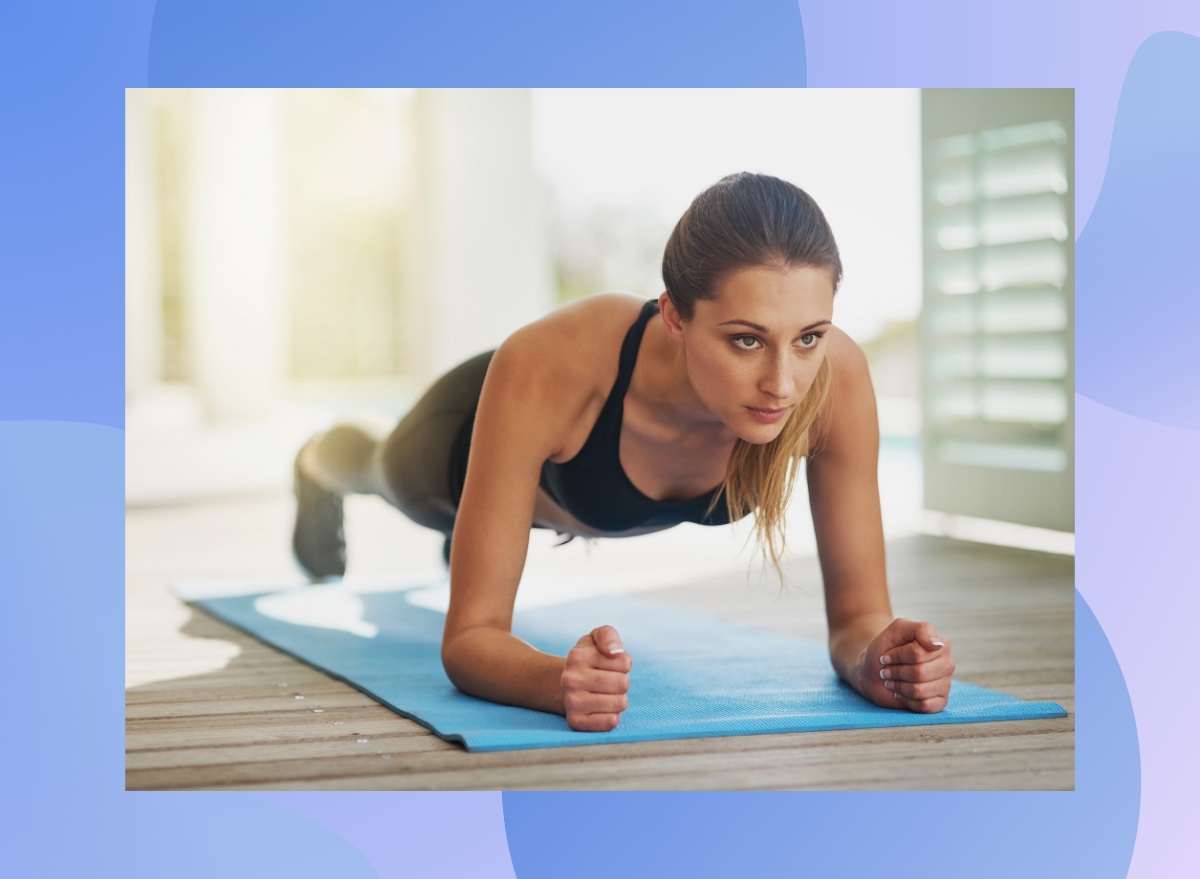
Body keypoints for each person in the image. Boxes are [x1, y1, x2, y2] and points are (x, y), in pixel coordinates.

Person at [292, 172, 955, 732]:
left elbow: (859, 618)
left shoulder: (834, 382)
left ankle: (483, 539)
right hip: (458, 441)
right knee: (374, 467)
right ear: (674, 315)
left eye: (809, 336)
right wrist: (556, 682)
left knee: (474, 540)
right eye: (746, 340)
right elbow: (470, 639)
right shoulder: (555, 364)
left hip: (555, 495)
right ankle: (315, 462)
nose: (783, 384)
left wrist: (880, 659)